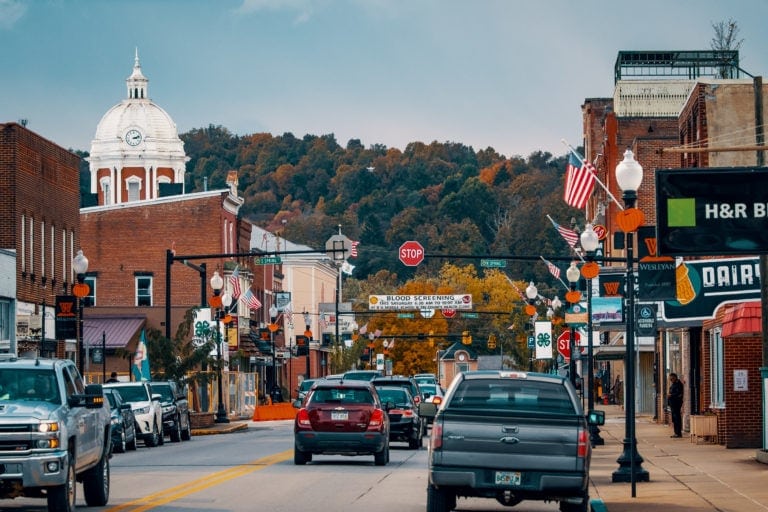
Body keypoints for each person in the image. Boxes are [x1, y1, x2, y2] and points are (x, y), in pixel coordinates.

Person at [668, 373, 684, 438]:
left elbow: (679, 394)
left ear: (675, 377)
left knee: (677, 418)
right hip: (673, 404)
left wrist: (671, 395)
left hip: (676, 404)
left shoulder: (679, 384)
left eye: (672, 378)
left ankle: (678, 433)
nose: (671, 380)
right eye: (670, 379)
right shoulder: (673, 384)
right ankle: (676, 433)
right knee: (674, 419)